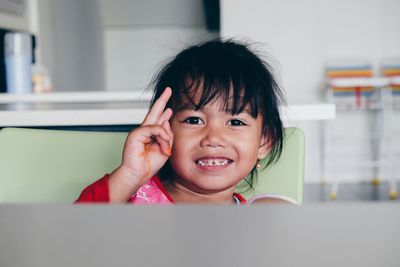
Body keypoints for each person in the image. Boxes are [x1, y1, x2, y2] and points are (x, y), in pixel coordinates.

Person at [76, 39, 287, 204]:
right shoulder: (134, 199)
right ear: (163, 131)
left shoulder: (255, 220)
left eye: (236, 122)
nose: (213, 138)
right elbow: (68, 235)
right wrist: (131, 174)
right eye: (194, 120)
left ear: (264, 142)